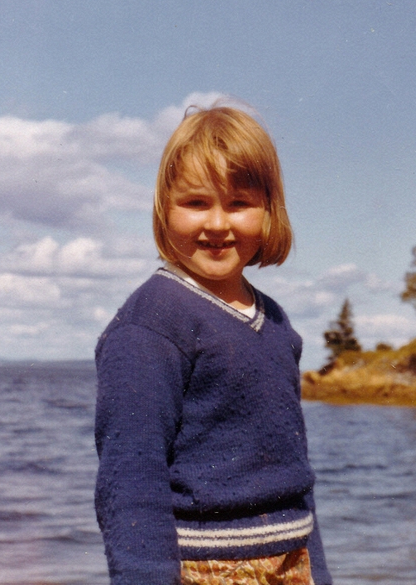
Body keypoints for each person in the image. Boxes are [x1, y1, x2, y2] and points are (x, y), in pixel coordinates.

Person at [94, 104, 332, 585]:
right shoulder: (150, 324)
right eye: (197, 203)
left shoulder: (278, 324)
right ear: (165, 208)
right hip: (203, 570)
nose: (218, 224)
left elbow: (296, 480)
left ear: (269, 211)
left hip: (292, 564)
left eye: (239, 204)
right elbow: (131, 477)